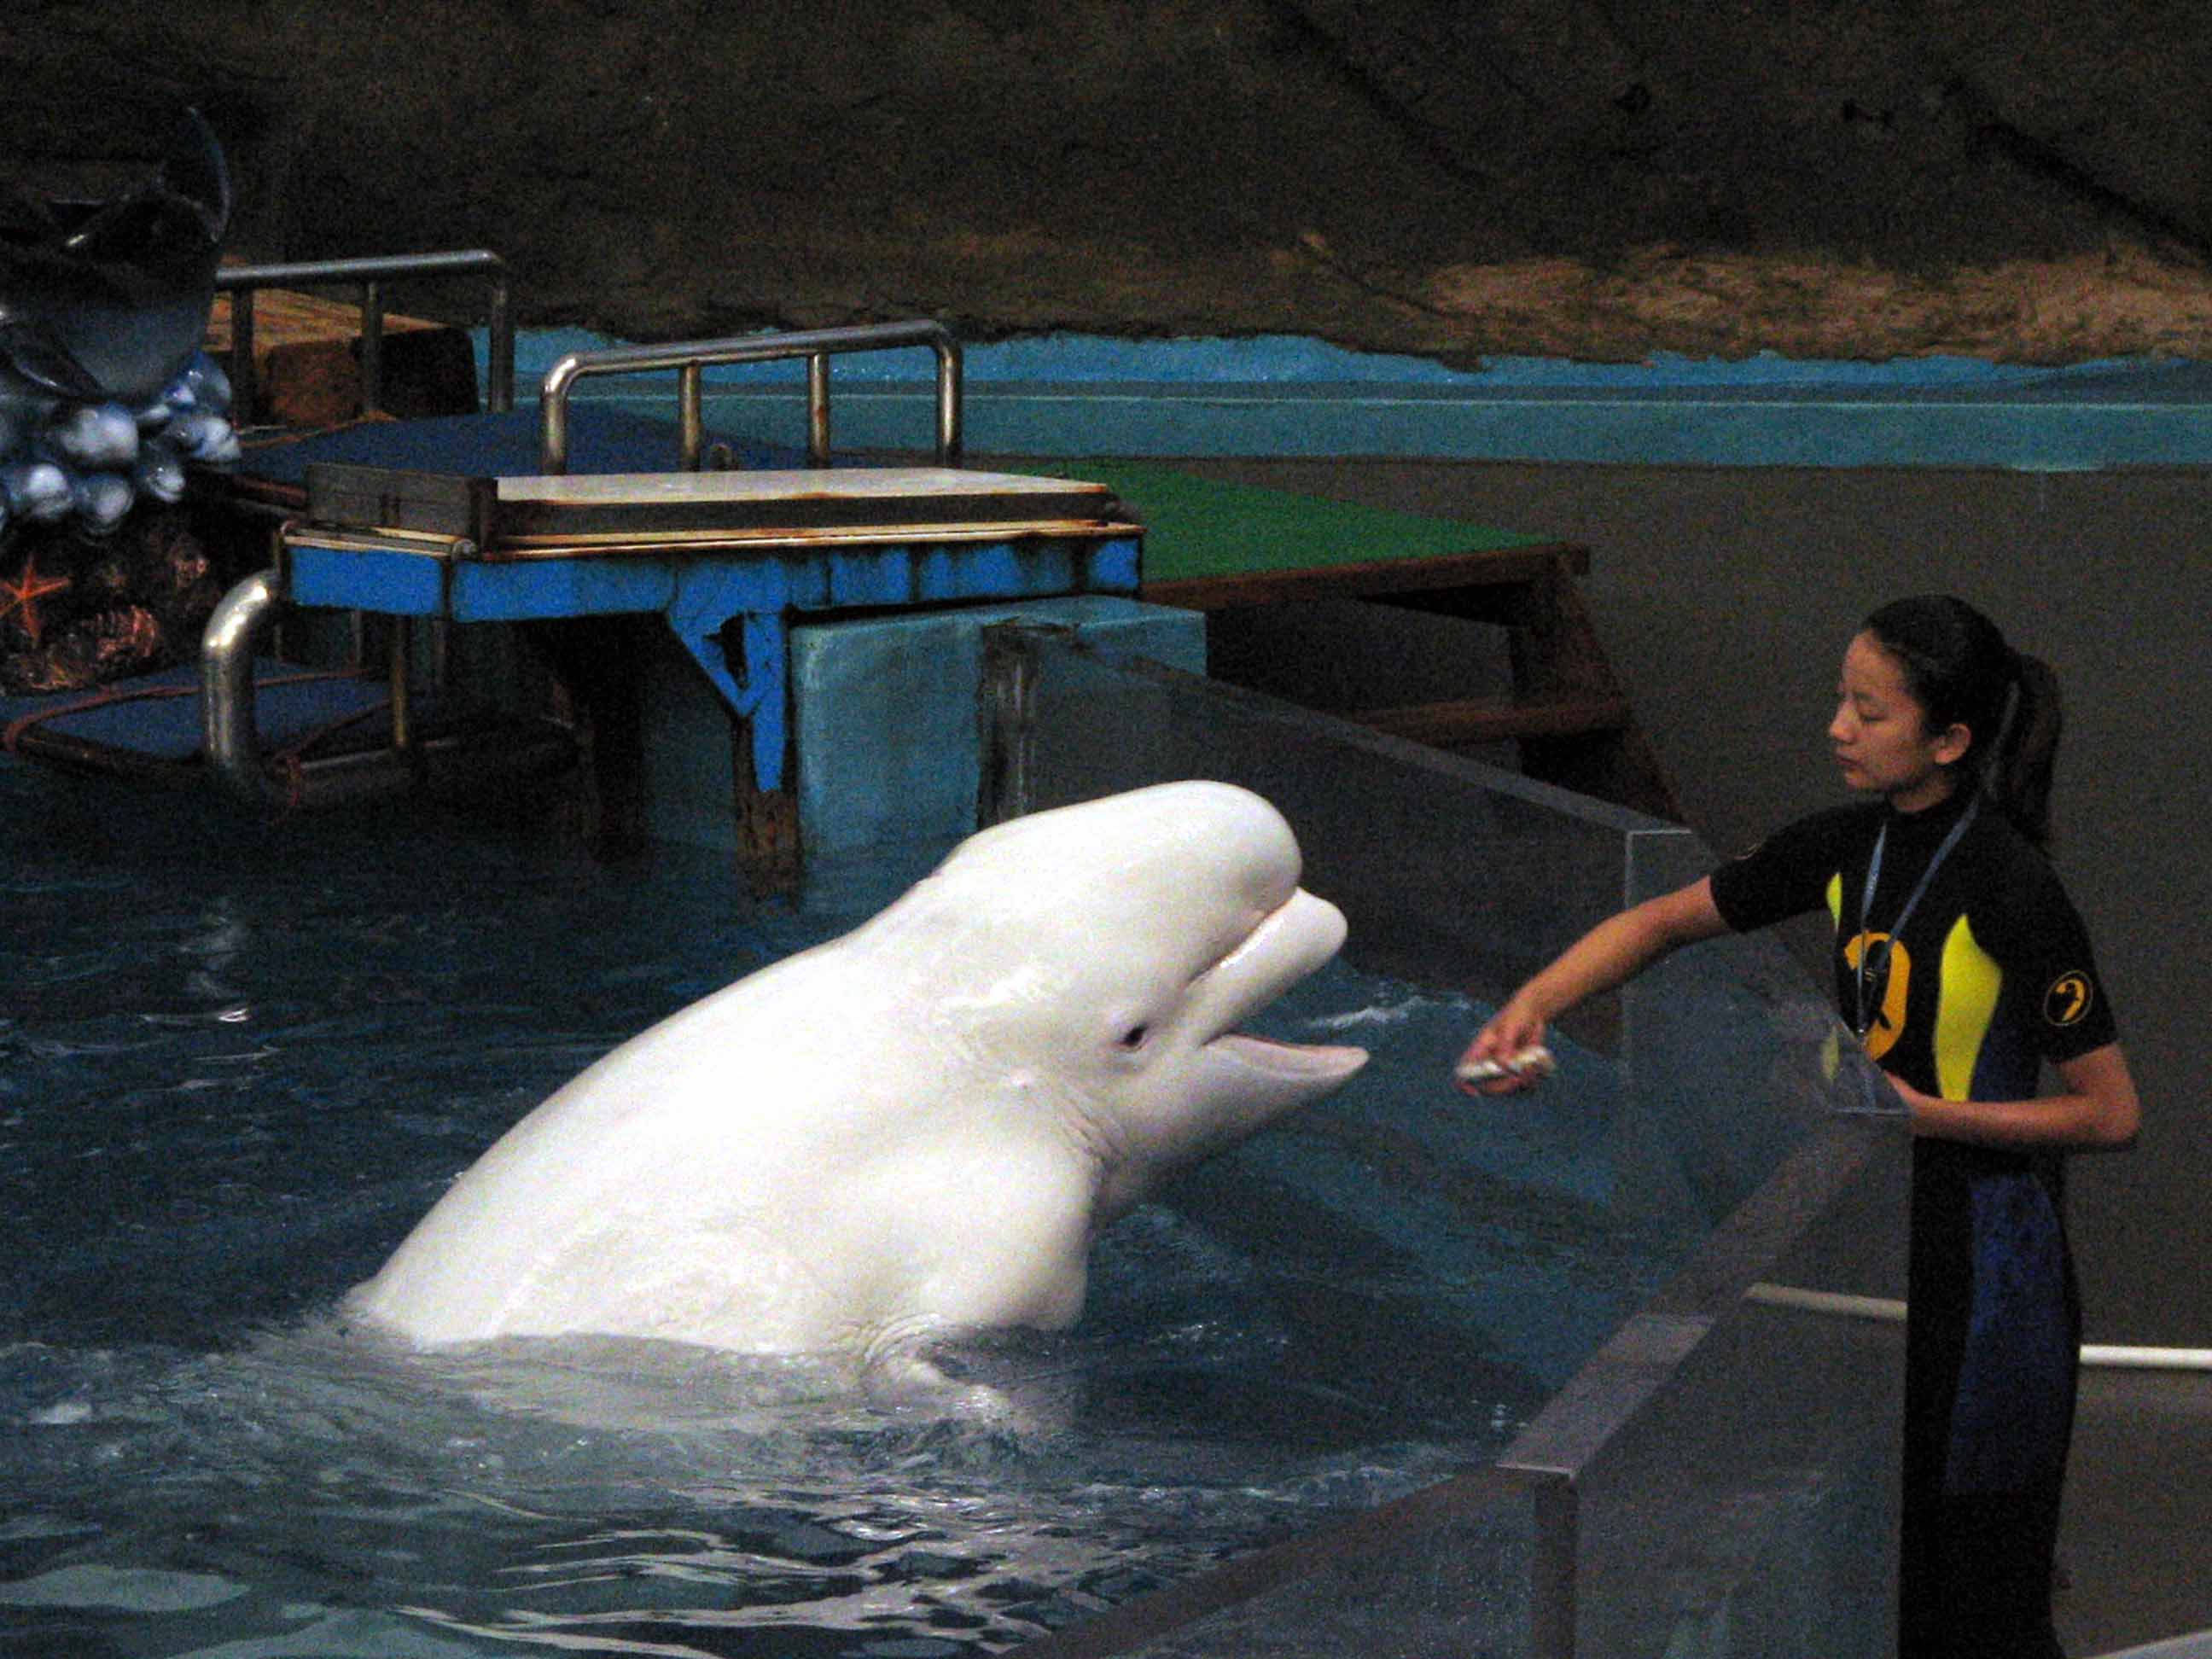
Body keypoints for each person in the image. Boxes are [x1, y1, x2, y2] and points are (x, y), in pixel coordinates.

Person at [1456, 594, 2139, 1658]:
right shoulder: (1845, 848)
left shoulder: (2010, 884)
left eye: (1869, 711)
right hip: (1882, 1238)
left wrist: (1922, 1114)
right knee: (1894, 1552)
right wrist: (1535, 1003)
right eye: (1840, 700)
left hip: (1991, 1263)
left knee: (1982, 1572)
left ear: (1949, 740)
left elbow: (2108, 1112)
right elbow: (1660, 922)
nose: (1838, 728)